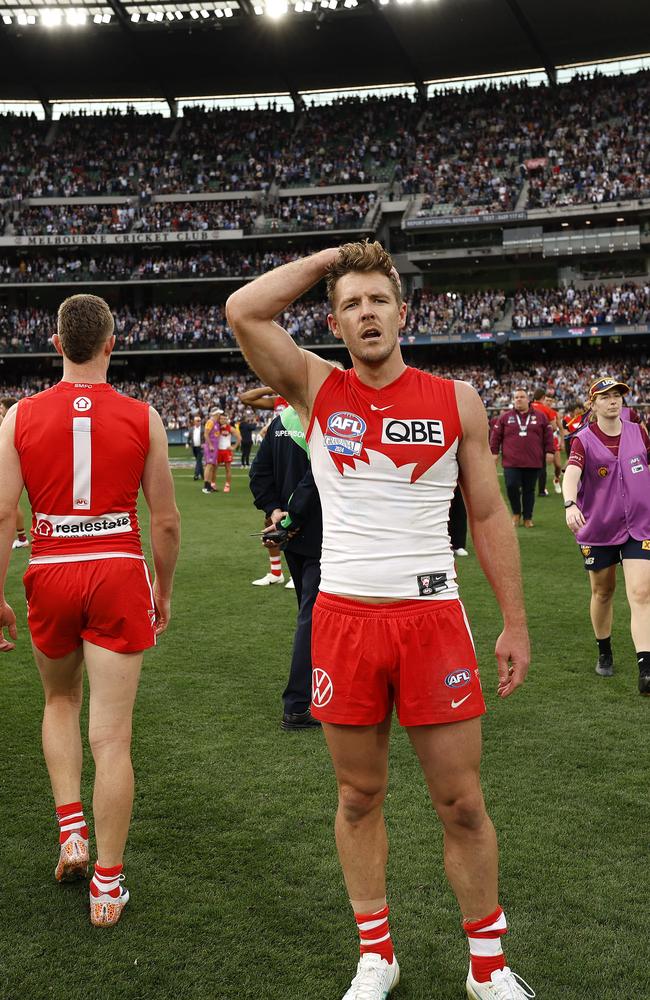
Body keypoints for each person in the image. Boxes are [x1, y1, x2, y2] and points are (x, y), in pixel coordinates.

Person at [226, 241, 533, 1000]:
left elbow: (488, 512)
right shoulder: (314, 386)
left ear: (404, 312)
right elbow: (243, 310)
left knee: (461, 803)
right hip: (345, 619)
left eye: (379, 300)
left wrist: (515, 621)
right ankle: (376, 955)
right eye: (352, 303)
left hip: (433, 621)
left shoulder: (455, 398)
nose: (367, 313)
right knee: (358, 797)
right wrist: (338, 255)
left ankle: (488, 969)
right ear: (334, 320)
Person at [0, 293, 181, 927]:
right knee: (112, 738)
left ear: (55, 345)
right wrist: (163, 587)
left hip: (50, 569)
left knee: (59, 703)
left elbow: (2, 515)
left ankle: (71, 831)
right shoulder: (144, 415)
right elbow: (164, 519)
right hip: (116, 571)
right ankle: (108, 884)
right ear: (111, 344)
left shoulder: (18, 415)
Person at [563, 376, 650, 693]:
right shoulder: (583, 440)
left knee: (641, 593)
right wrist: (570, 503)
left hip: (639, 525)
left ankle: (646, 668)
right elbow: (571, 474)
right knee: (603, 591)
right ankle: (604, 649)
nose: (613, 400)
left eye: (618, 395)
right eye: (606, 396)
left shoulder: (638, 431)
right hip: (598, 527)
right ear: (593, 403)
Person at [249, 404, 323, 730]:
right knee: (314, 621)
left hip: (292, 536)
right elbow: (316, 479)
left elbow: (258, 472)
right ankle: (297, 705)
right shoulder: (322, 423)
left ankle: (317, 691)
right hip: (322, 534)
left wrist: (275, 510)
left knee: (312, 617)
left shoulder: (281, 421)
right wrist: (290, 516)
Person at [490, 389, 554, 528]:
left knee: (529, 490)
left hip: (533, 461)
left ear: (528, 399)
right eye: (516, 397)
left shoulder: (540, 416)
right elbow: (495, 436)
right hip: (511, 461)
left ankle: (528, 517)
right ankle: (516, 513)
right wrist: (494, 453)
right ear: (513, 400)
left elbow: (548, 435)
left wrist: (550, 451)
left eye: (522, 397)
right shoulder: (505, 417)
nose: (519, 399)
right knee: (511, 486)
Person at [0, 396, 29, 549]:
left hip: (6, 466)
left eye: (1, 406)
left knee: (8, 505)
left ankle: (22, 537)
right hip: (9, 465)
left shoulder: (8, 421)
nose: (0, 408)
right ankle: (22, 537)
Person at [531, 389, 562, 495]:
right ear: (543, 399)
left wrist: (562, 441)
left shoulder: (553, 412)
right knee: (541, 464)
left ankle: (556, 479)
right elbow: (553, 427)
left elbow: (560, 428)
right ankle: (541, 488)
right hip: (545, 439)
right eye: (547, 400)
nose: (548, 402)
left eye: (550, 401)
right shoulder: (544, 410)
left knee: (558, 465)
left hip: (552, 439)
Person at [215, 411, 240, 494]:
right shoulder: (216, 427)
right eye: (221, 418)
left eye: (225, 419)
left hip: (226, 451)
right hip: (218, 450)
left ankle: (227, 485)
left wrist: (234, 447)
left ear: (227, 419)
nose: (223, 420)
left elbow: (239, 438)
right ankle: (212, 484)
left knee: (228, 469)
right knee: (214, 468)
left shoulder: (230, 428)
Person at [202, 407, 221, 493]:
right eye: (218, 414)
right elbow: (206, 434)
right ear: (215, 414)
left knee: (212, 466)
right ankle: (206, 486)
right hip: (211, 447)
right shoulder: (210, 422)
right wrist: (210, 445)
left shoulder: (215, 423)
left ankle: (209, 485)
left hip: (214, 447)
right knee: (209, 465)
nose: (219, 415)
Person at [185, 414, 204, 480]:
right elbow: (189, 437)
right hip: (194, 447)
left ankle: (196, 475)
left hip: (201, 447)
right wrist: (187, 443)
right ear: (194, 421)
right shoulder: (192, 429)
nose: (198, 422)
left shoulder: (203, 429)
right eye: (197, 421)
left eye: (199, 420)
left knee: (198, 460)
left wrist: (204, 444)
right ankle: (203, 475)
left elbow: (206, 437)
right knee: (199, 461)